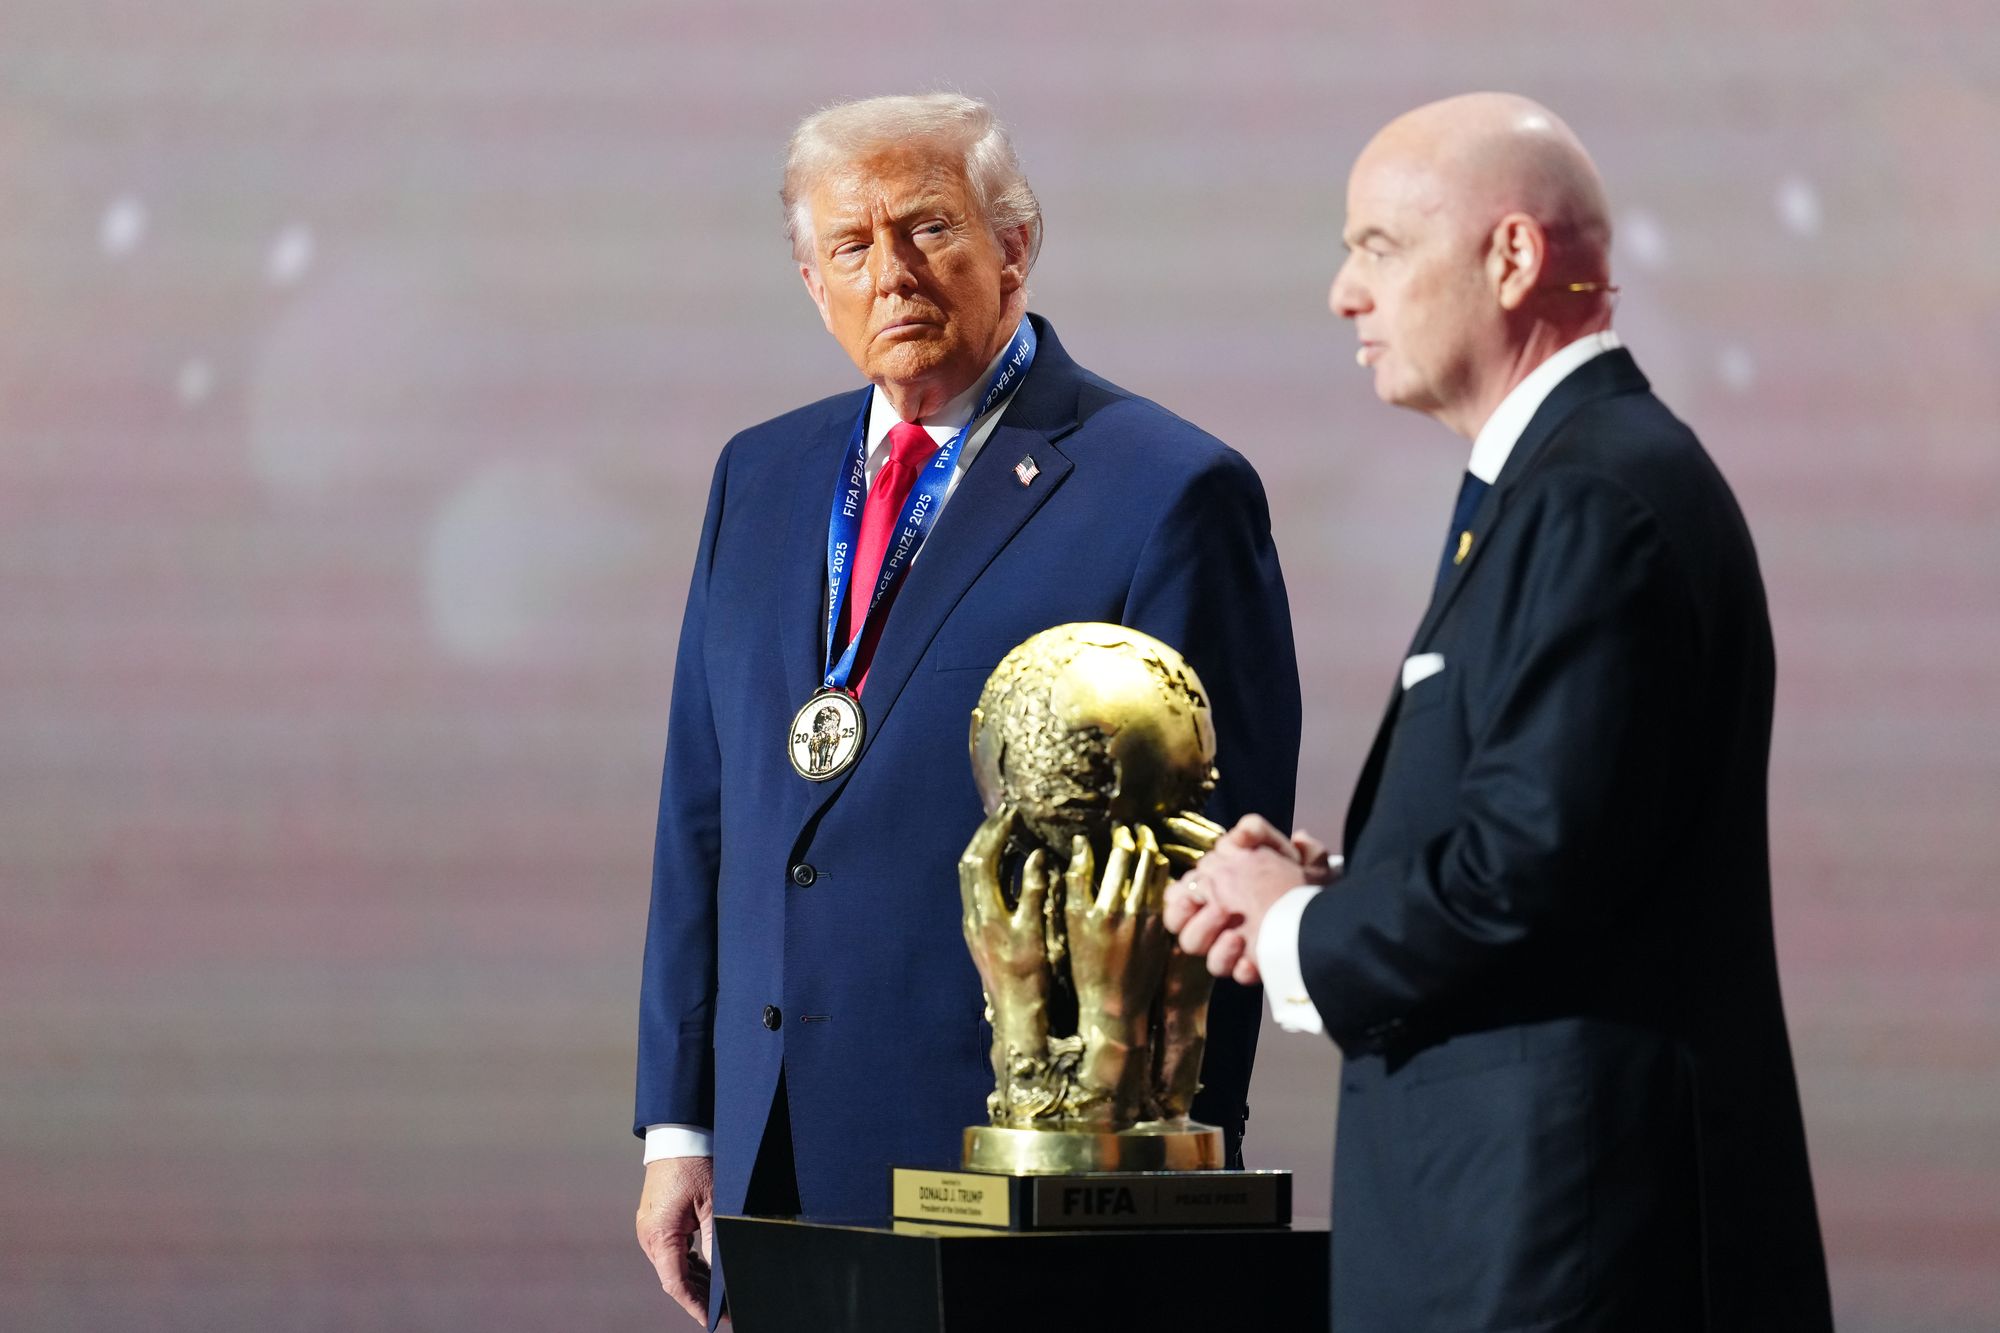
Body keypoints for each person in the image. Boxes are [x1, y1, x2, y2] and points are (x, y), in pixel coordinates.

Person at [634, 93, 1301, 1327]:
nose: (889, 272)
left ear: (1014, 245)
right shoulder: (760, 477)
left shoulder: (1165, 488)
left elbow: (1213, 851)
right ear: (807, 277)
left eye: (927, 227)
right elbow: (704, 810)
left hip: (1018, 1179)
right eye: (849, 245)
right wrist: (678, 1119)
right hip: (770, 1157)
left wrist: (1159, 1183)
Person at [1166, 93, 1831, 1330]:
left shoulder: (1590, 498)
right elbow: (1558, 836)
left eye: (1376, 246)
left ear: (1511, 258)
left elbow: (1519, 878)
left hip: (1557, 1255)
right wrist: (1337, 883)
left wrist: (1298, 924)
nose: (1341, 295)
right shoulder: (1562, 484)